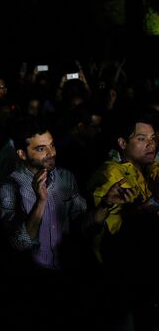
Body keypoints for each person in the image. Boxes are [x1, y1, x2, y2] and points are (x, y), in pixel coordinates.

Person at [0, 116, 114, 330]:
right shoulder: (9, 186)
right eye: (41, 149)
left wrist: (105, 205)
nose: (51, 153)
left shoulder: (66, 178)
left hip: (66, 273)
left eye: (52, 145)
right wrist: (41, 202)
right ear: (22, 154)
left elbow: (83, 226)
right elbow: (18, 243)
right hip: (31, 281)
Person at [87, 113, 159, 330]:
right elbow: (111, 233)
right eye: (141, 138)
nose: (151, 144)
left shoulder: (140, 168)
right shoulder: (112, 175)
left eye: (154, 138)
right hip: (120, 275)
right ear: (122, 142)